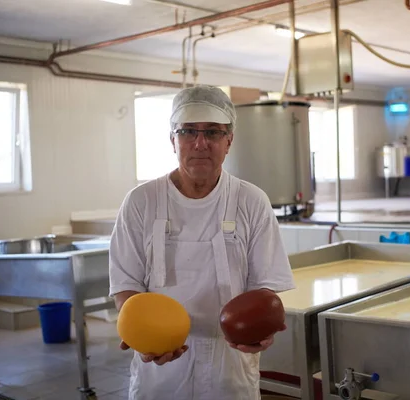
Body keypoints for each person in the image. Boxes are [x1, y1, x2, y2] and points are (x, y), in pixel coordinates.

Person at [108, 84, 296, 400]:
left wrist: (261, 328)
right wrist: (141, 333)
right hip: (160, 364)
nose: (200, 143)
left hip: (231, 361)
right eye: (188, 132)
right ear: (172, 140)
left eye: (212, 132)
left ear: (229, 141)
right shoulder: (141, 201)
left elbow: (265, 285)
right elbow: (126, 284)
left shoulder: (251, 201)